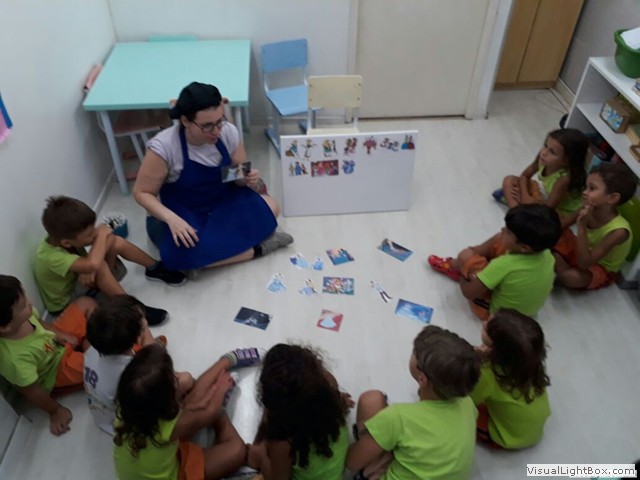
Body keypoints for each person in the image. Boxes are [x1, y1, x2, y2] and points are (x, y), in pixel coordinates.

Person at [133, 82, 293, 271]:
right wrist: (172, 219)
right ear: (185, 121)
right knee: (178, 254)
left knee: (271, 206)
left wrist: (246, 178)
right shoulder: (164, 147)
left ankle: (205, 261)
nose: (216, 131)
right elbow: (142, 192)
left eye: (219, 121)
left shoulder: (228, 132)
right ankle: (258, 249)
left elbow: (235, 175)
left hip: (221, 198)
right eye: (207, 126)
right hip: (183, 209)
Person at [346, 325, 480, 480]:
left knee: (371, 400)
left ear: (422, 379)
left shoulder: (398, 417)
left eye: (414, 353)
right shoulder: (467, 402)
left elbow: (351, 463)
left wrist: (373, 439)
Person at [113, 343, 262, 480]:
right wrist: (221, 388)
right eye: (174, 377)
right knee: (237, 450)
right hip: (174, 474)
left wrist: (194, 404)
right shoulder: (171, 427)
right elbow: (210, 412)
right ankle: (223, 394)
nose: (177, 376)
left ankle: (228, 360)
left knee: (195, 397)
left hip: (154, 461)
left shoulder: (129, 406)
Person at [34, 195, 183, 325]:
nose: (94, 234)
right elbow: (94, 262)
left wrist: (93, 261)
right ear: (66, 243)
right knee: (99, 265)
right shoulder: (50, 256)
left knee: (116, 242)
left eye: (94, 230)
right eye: (89, 234)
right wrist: (101, 236)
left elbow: (109, 237)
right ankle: (132, 309)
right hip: (69, 302)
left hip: (82, 279)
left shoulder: (62, 236)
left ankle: (154, 268)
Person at [0, 274, 97, 435]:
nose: (30, 302)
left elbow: (40, 323)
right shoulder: (13, 359)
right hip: (56, 370)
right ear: (5, 328)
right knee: (97, 365)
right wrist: (55, 410)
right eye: (24, 305)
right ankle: (97, 346)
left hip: (55, 342)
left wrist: (59, 334)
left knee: (85, 303)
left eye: (25, 296)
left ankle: (95, 343)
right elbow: (31, 391)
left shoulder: (21, 317)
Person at [428, 204, 561, 320]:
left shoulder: (505, 265)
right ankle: (470, 258)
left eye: (508, 232)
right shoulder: (546, 253)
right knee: (499, 239)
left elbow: (468, 292)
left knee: (465, 256)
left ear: (525, 248)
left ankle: (454, 266)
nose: (502, 230)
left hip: (495, 316)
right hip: (525, 314)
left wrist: (464, 270)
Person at [247, 344, 352, 480]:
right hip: (335, 474)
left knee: (253, 454)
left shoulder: (281, 442)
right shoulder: (329, 384)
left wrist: (262, 457)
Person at [471, 309, 550, 449]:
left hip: (509, 436)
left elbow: (469, 397)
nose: (483, 323)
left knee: (459, 412)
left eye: (486, 328)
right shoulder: (531, 362)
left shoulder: (488, 374)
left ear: (496, 350)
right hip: (532, 428)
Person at [554, 162, 636, 289]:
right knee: (551, 225)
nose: (584, 192)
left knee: (572, 277)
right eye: (586, 187)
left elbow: (584, 264)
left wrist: (582, 226)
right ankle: (558, 264)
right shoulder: (588, 206)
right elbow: (561, 226)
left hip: (598, 266)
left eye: (592, 188)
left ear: (612, 198)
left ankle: (558, 265)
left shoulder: (619, 231)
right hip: (582, 250)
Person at [493, 128, 588, 217]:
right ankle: (515, 212)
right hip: (544, 194)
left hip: (557, 208)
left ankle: (519, 213)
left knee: (549, 219)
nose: (544, 152)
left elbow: (547, 209)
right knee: (509, 180)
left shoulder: (564, 179)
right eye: (546, 146)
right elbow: (525, 176)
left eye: (552, 152)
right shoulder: (542, 157)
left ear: (566, 161)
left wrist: (529, 200)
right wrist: (525, 196)